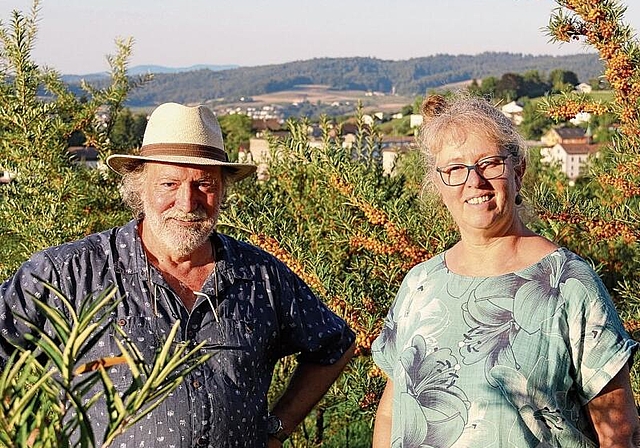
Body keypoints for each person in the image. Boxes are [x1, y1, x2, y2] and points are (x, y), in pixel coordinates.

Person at [0, 102, 355, 447]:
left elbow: (334, 344)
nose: (187, 202)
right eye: (169, 184)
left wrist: (277, 428)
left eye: (204, 184)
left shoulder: (260, 276)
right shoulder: (70, 273)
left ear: (222, 190)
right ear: (139, 187)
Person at [371, 93, 639, 448]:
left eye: (489, 164)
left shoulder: (569, 284)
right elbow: (391, 414)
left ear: (518, 171)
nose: (474, 181)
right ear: (438, 185)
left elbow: (619, 432)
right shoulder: (420, 284)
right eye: (454, 169)